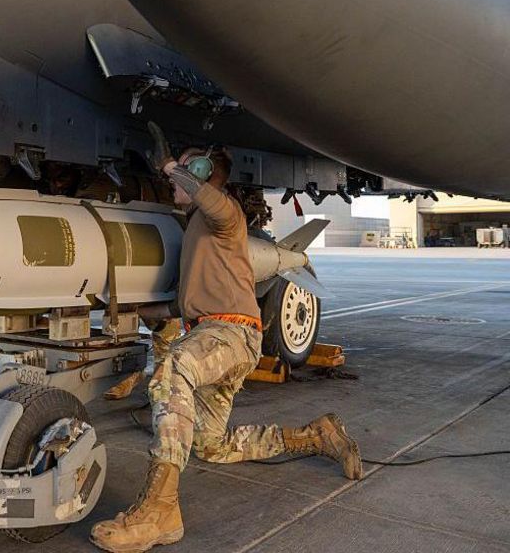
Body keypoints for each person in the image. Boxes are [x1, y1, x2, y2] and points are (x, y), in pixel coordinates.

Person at [90, 123, 363, 553]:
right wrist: (130, 311)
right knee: (210, 446)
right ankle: (315, 435)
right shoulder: (198, 232)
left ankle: (160, 512)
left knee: (173, 370)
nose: (173, 180)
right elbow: (182, 306)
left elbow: (213, 202)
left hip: (230, 333)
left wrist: (169, 166)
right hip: (218, 335)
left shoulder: (225, 214)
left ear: (201, 173)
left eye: (186, 169)